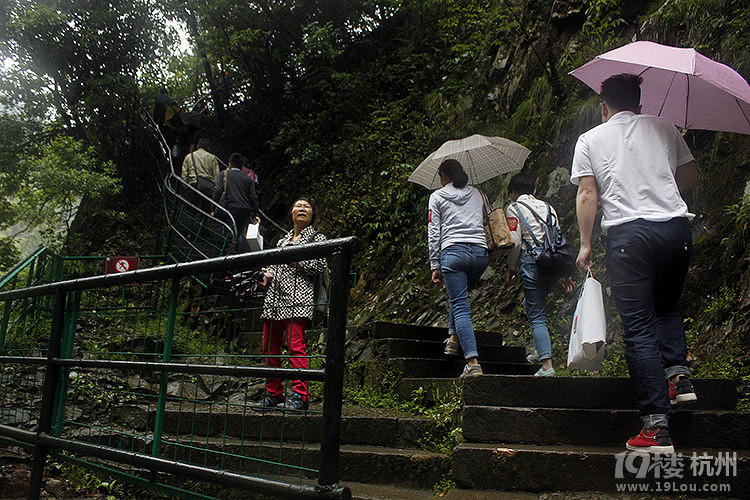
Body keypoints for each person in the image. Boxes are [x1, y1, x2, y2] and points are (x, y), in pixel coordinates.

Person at [571, 73, 698, 454]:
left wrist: (586, 243)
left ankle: (657, 429)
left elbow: (588, 192)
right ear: (640, 105)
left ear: (604, 107)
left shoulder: (591, 138)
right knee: (668, 307)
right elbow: (689, 177)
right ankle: (678, 378)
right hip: (676, 231)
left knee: (639, 328)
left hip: (630, 237)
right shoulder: (664, 126)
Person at [256, 198, 326, 411]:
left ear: (313, 214)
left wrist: (293, 258)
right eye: (298, 206)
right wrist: (264, 276)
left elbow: (317, 265)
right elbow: (275, 269)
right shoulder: (283, 240)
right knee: (269, 348)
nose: (302, 209)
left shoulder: (317, 237)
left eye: (307, 207)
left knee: (296, 347)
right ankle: (274, 392)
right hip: (274, 300)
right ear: (291, 212)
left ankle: (301, 395)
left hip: (298, 299)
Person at [505, 173, 574, 377]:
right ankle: (539, 348)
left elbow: (516, 242)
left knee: (536, 314)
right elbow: (557, 239)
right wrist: (564, 273)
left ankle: (546, 365)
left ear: (514, 192)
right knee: (533, 305)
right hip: (552, 264)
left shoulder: (514, 208)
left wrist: (511, 268)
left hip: (532, 262)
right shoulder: (549, 208)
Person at [428, 159, 489, 378]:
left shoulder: (437, 197)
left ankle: (472, 362)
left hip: (454, 253)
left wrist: (435, 264)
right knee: (460, 298)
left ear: (443, 175)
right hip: (480, 254)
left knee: (461, 306)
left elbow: (434, 232)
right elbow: (487, 219)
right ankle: (453, 338)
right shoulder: (479, 194)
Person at [212, 153, 260, 254]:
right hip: (244, 210)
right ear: (242, 166)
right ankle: (238, 255)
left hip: (230, 208)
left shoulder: (224, 174)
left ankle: (229, 258)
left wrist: (213, 207)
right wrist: (255, 213)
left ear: (229, 164)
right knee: (240, 233)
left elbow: (217, 191)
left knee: (230, 234)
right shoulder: (247, 179)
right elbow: (253, 197)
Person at [181, 137, 220, 207]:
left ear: (198, 145)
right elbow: (216, 175)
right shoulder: (212, 158)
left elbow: (184, 173)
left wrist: (185, 185)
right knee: (205, 210)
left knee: (191, 208)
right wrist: (213, 186)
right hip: (207, 186)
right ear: (208, 147)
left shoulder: (189, 156)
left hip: (193, 183)